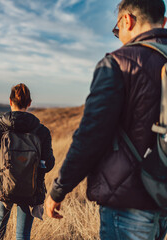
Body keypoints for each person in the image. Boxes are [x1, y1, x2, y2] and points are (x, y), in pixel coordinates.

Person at [46, 0, 167, 239]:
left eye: (117, 29)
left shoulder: (118, 63)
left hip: (127, 205)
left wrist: (58, 190)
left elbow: (90, 137)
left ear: (126, 20)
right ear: (163, 22)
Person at [0, 83, 55, 240]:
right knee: (22, 235)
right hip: (31, 188)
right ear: (29, 103)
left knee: (0, 224)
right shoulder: (41, 131)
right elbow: (49, 164)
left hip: (3, 186)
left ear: (10, 101)